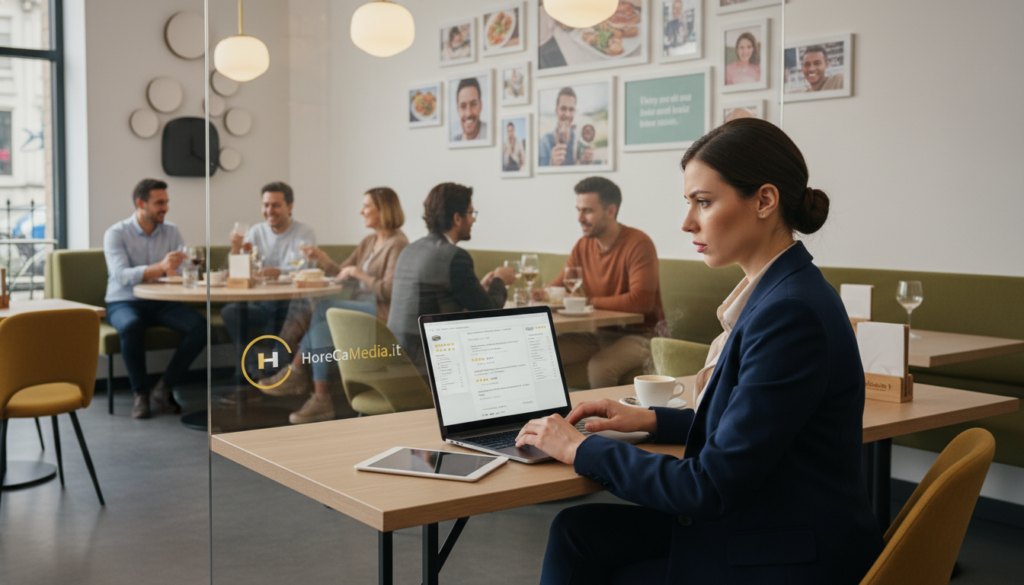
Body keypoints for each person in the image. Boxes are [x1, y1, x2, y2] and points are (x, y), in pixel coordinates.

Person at [515, 118, 883, 584]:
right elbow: (750, 429)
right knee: (575, 531)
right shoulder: (783, 292)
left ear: (765, 201)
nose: (687, 222)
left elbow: (709, 486)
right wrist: (651, 419)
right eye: (688, 202)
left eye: (703, 202)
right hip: (764, 520)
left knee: (585, 543)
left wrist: (580, 447)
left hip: (780, 553)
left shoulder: (789, 314)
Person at [258, 188, 410, 424]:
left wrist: (360, 273)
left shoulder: (397, 244)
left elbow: (390, 291)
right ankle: (320, 398)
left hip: (381, 313)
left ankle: (296, 372)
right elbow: (342, 273)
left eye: (366, 206)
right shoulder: (369, 241)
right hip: (360, 307)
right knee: (320, 323)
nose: (362, 211)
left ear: (383, 210)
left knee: (324, 308)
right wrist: (322, 258)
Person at [533, 177, 665, 389]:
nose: (580, 218)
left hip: (644, 336)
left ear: (611, 211)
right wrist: (541, 293)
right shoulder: (583, 245)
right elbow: (560, 286)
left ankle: (603, 413)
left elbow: (641, 302)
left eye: (587, 211)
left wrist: (587, 301)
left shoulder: (639, 243)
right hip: (600, 334)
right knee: (541, 350)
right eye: (578, 210)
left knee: (600, 366)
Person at [103, 179, 207, 419]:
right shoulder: (116, 233)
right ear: (141, 203)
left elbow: (184, 268)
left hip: (163, 300)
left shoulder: (171, 230)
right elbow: (121, 276)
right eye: (159, 203)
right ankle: (140, 394)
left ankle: (163, 388)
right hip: (124, 301)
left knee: (201, 328)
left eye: (166, 202)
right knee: (131, 326)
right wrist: (160, 267)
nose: (165, 208)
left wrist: (182, 270)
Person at [387, 182, 516, 372]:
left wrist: (479, 287)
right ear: (457, 218)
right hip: (430, 364)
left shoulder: (410, 250)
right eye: (471, 213)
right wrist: (500, 280)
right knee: (509, 354)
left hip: (396, 361)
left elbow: (436, 298)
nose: (473, 220)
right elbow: (489, 312)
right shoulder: (455, 257)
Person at [222, 181, 317, 356]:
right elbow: (240, 268)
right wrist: (236, 249)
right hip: (263, 303)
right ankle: (251, 364)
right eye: (266, 205)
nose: (269, 211)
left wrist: (278, 272)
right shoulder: (256, 231)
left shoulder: (304, 232)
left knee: (280, 312)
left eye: (276, 205)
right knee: (231, 312)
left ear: (290, 207)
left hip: (291, 302)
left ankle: (273, 365)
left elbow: (306, 267)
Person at [539, 87, 594, 167]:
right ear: (556, 111)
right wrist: (552, 165)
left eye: (571, 109)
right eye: (563, 108)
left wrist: (586, 162)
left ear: (574, 112)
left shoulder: (578, 140)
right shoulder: (544, 142)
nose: (567, 114)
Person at [452, 77, 487, 142]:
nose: (469, 113)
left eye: (473, 104)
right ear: (457, 109)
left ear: (480, 105)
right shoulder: (454, 141)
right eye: (463, 106)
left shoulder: (490, 133)